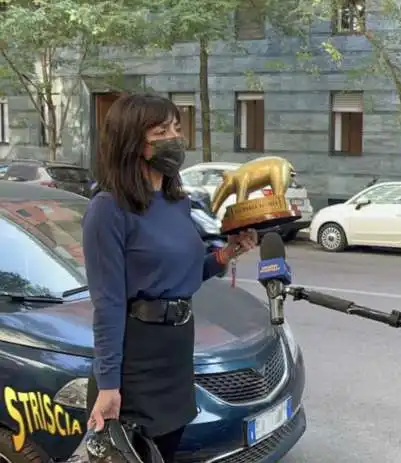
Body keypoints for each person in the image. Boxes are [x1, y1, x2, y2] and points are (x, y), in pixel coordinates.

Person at [82, 94, 257, 462]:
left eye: (177, 128)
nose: (175, 138)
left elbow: (186, 272)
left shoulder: (178, 202)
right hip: (136, 358)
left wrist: (228, 253)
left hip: (176, 351)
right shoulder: (108, 209)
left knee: (169, 449)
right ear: (132, 142)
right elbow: (108, 303)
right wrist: (110, 384)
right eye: (161, 131)